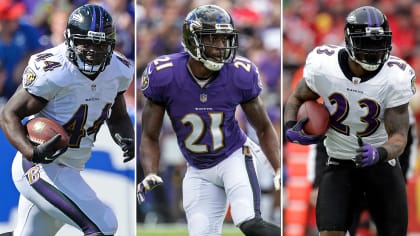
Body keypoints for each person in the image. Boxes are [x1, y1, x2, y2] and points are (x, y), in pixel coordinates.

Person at [137, 4, 281, 236]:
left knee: (250, 222)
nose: (221, 46)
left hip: (233, 155)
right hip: (198, 168)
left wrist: (278, 167)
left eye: (225, 39)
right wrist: (151, 171)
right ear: (192, 40)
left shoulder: (239, 73)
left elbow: (263, 127)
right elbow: (150, 135)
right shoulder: (164, 74)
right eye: (213, 39)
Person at [0, 4, 134, 236]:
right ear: (70, 39)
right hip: (39, 166)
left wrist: (126, 135)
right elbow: (8, 114)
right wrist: (32, 152)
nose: (92, 50)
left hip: (70, 166)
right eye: (85, 42)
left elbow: (119, 115)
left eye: (100, 44)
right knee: (103, 224)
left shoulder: (118, 70)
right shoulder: (53, 69)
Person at [284, 6, 415, 236]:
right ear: (349, 40)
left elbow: (400, 137)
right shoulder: (324, 66)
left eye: (379, 42)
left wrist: (380, 153)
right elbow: (296, 98)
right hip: (339, 163)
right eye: (368, 42)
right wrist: (289, 127)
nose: (375, 50)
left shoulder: (395, 77)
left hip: (382, 167)